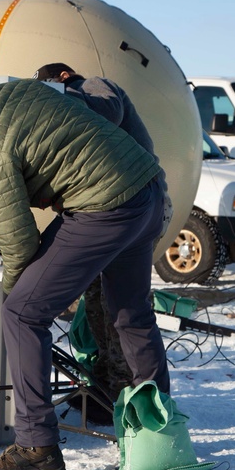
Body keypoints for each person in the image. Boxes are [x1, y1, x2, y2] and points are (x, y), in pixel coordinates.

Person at [0, 59, 170, 470]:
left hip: (104, 206)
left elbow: (18, 239)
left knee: (23, 313)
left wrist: (12, 291)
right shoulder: (17, 90)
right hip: (146, 190)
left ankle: (36, 446)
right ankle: (160, 433)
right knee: (130, 313)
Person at [33, 63, 173, 417]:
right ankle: (116, 387)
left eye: (49, 88)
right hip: (125, 205)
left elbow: (108, 110)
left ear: (63, 78)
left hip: (134, 204)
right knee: (102, 302)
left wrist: (62, 102)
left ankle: (123, 390)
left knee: (119, 306)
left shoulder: (94, 86)